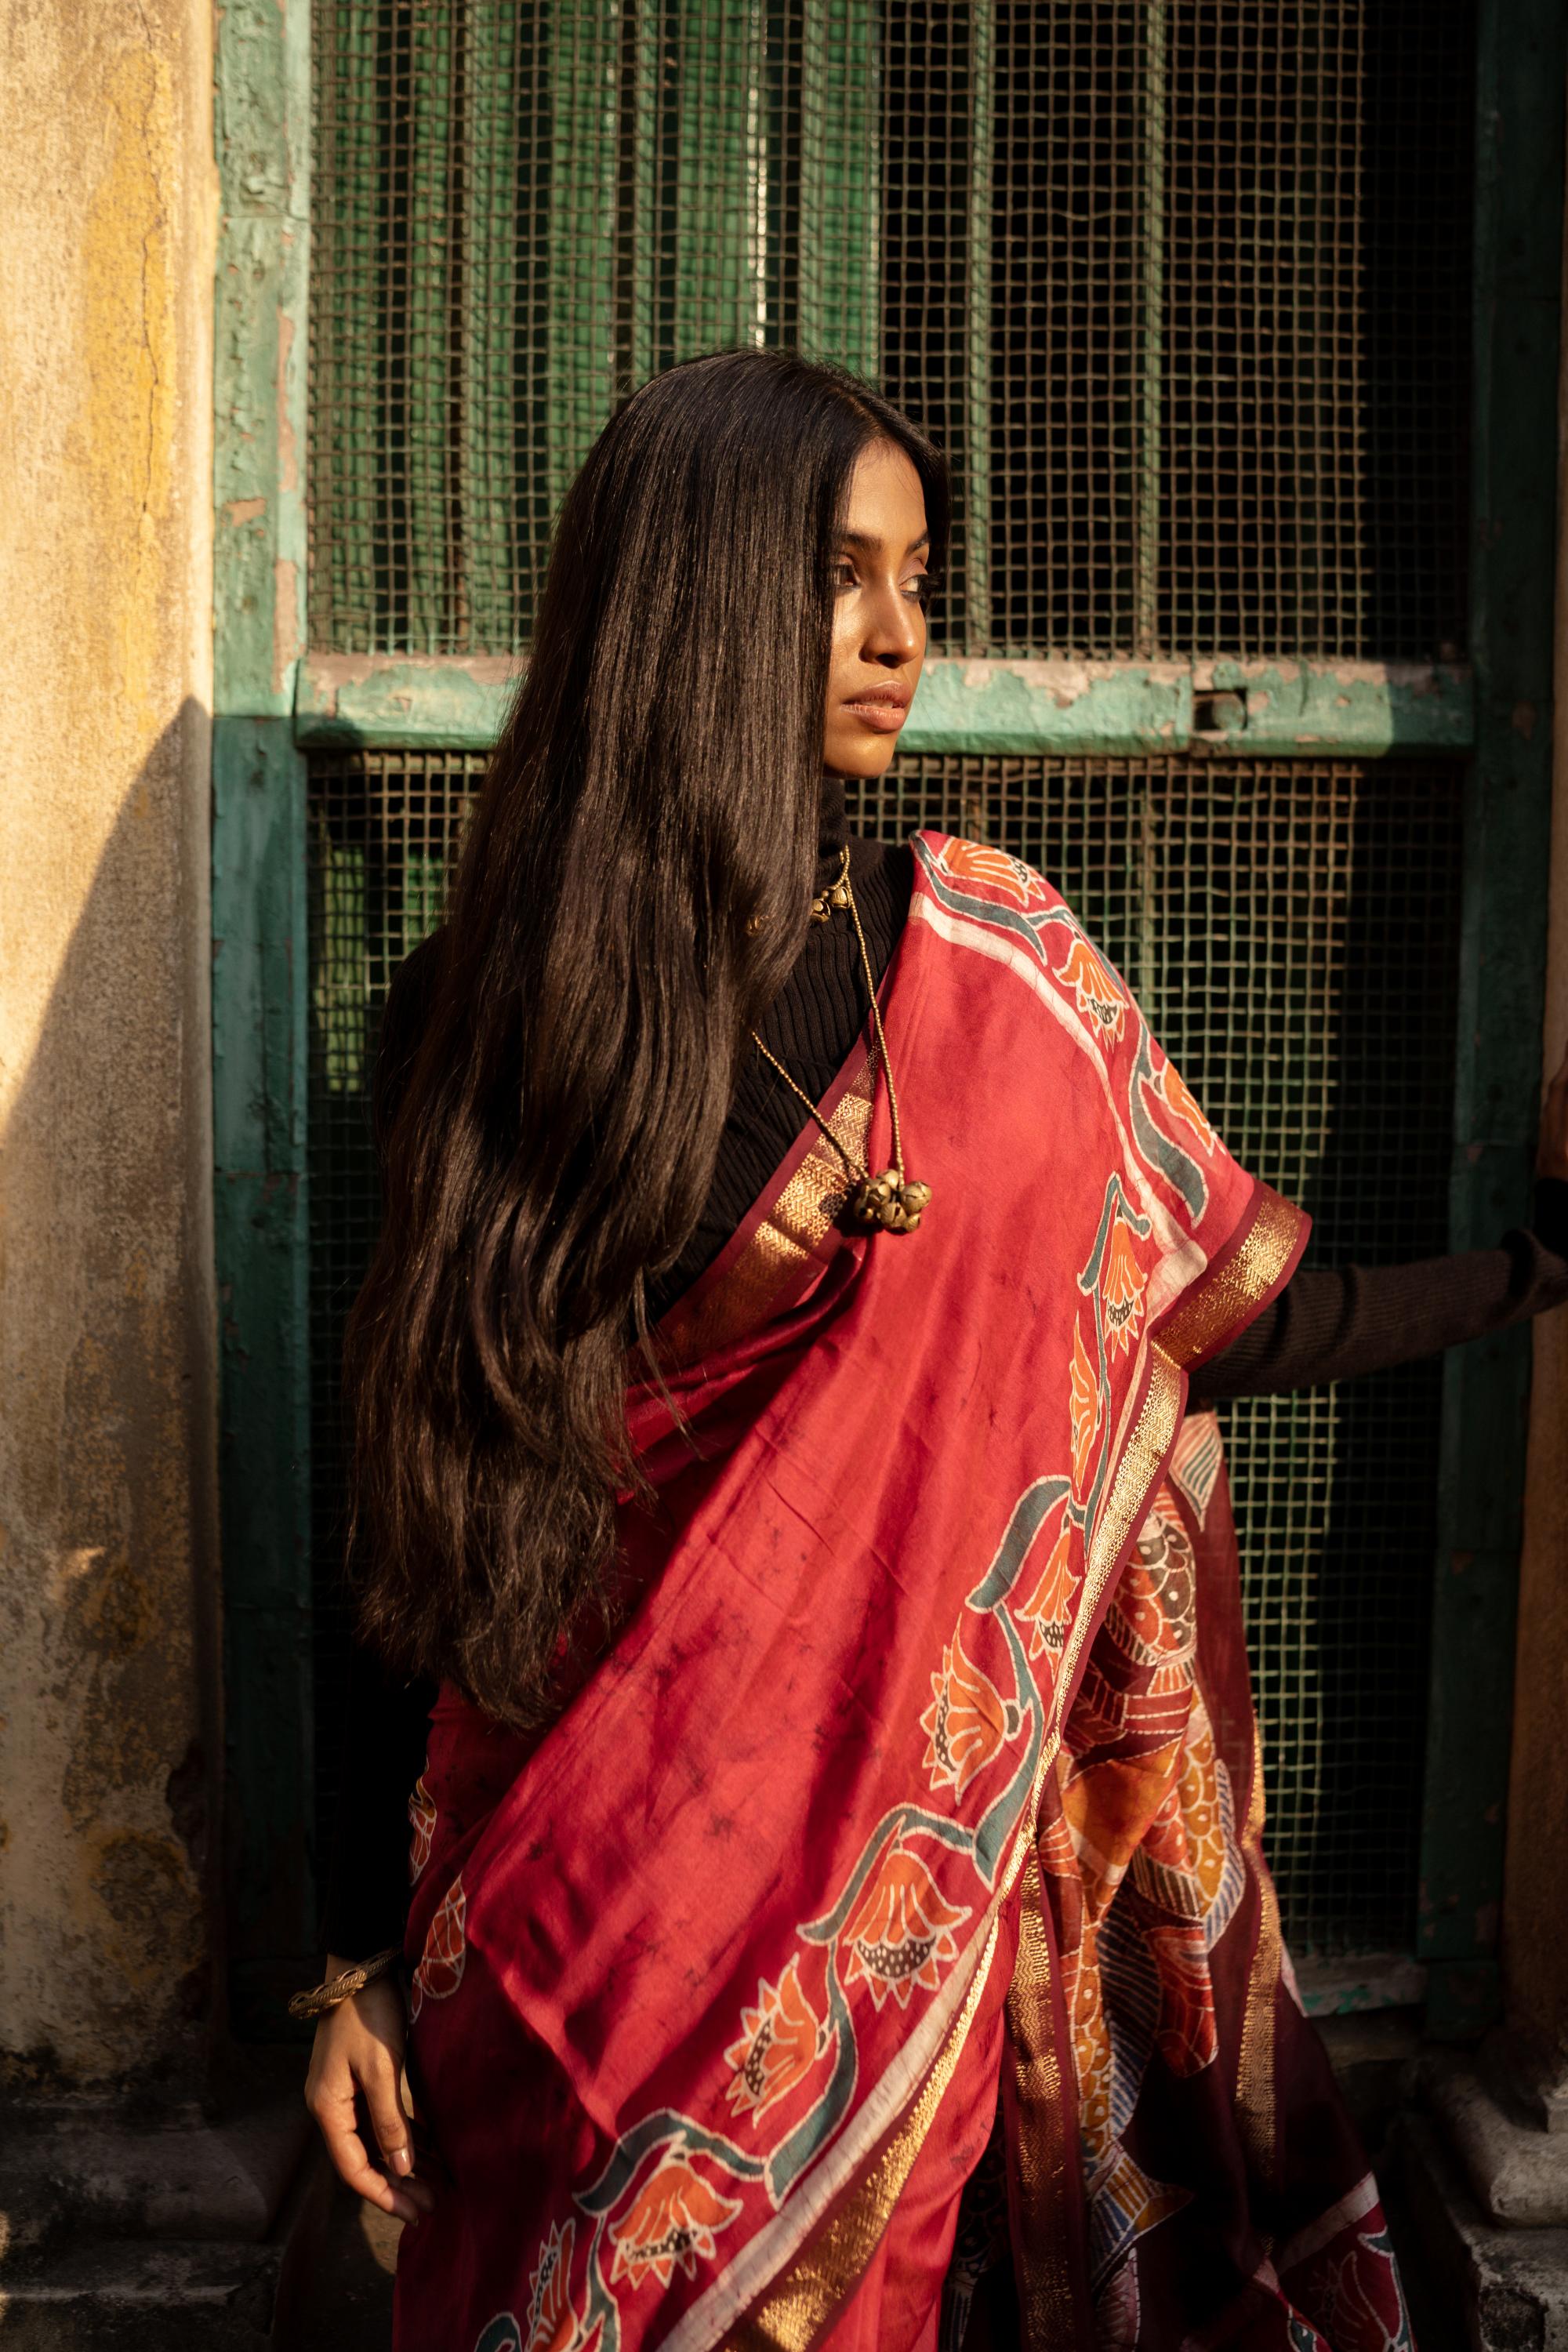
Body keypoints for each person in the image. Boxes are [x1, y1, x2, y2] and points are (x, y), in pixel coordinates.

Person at [300, 351, 1568, 2349]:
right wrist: (348, 1963)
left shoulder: (996, 979)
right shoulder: (484, 1017)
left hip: (877, 1949)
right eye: (842, 577)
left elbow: (1209, 1323)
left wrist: (1529, 1270)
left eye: (918, 576)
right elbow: (430, 1509)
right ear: (697, 596)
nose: (905, 635)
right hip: (563, 1931)